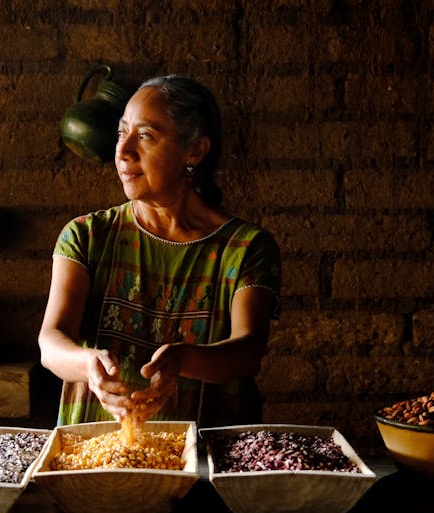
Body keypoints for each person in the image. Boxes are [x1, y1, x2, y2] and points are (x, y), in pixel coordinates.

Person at [38, 74, 281, 428]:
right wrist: (87, 364)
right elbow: (51, 341)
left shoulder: (245, 248)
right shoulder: (87, 236)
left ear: (194, 151)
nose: (122, 151)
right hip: (94, 457)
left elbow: (248, 353)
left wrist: (183, 360)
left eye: (145, 137)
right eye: (122, 133)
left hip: (205, 460)